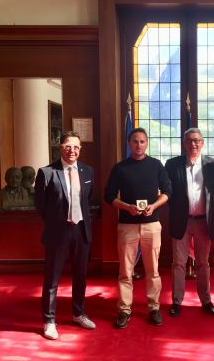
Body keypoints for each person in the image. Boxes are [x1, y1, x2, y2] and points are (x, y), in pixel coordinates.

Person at [104, 127, 172, 329]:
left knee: (153, 270)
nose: (139, 145)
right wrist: (126, 207)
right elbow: (109, 196)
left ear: (147, 143)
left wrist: (154, 205)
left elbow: (168, 191)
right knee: (126, 271)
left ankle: (153, 307)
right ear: (129, 143)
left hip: (152, 225)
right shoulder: (120, 168)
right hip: (127, 225)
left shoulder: (156, 165)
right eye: (135, 141)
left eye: (142, 141)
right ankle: (124, 309)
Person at [35, 131, 96, 340]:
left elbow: (88, 199)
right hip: (58, 232)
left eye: (76, 147)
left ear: (80, 149)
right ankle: (49, 320)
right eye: (68, 146)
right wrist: (56, 222)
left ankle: (78, 313)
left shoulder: (88, 171)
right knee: (52, 279)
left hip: (81, 230)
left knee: (80, 276)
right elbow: (40, 206)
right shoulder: (47, 172)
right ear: (60, 147)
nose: (72, 150)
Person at [165, 128, 214, 317]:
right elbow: (168, 192)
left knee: (203, 263)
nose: (193, 144)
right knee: (178, 263)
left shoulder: (213, 165)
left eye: (197, 140)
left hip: (203, 222)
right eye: (189, 140)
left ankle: (206, 301)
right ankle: (177, 301)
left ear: (202, 143)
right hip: (181, 220)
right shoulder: (172, 165)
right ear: (184, 143)